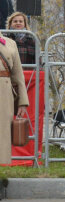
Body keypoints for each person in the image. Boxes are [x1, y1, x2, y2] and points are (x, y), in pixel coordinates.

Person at [0, 28, 28, 167]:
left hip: (4, 95)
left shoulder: (10, 43)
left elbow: (18, 76)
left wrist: (22, 102)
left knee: (2, 134)